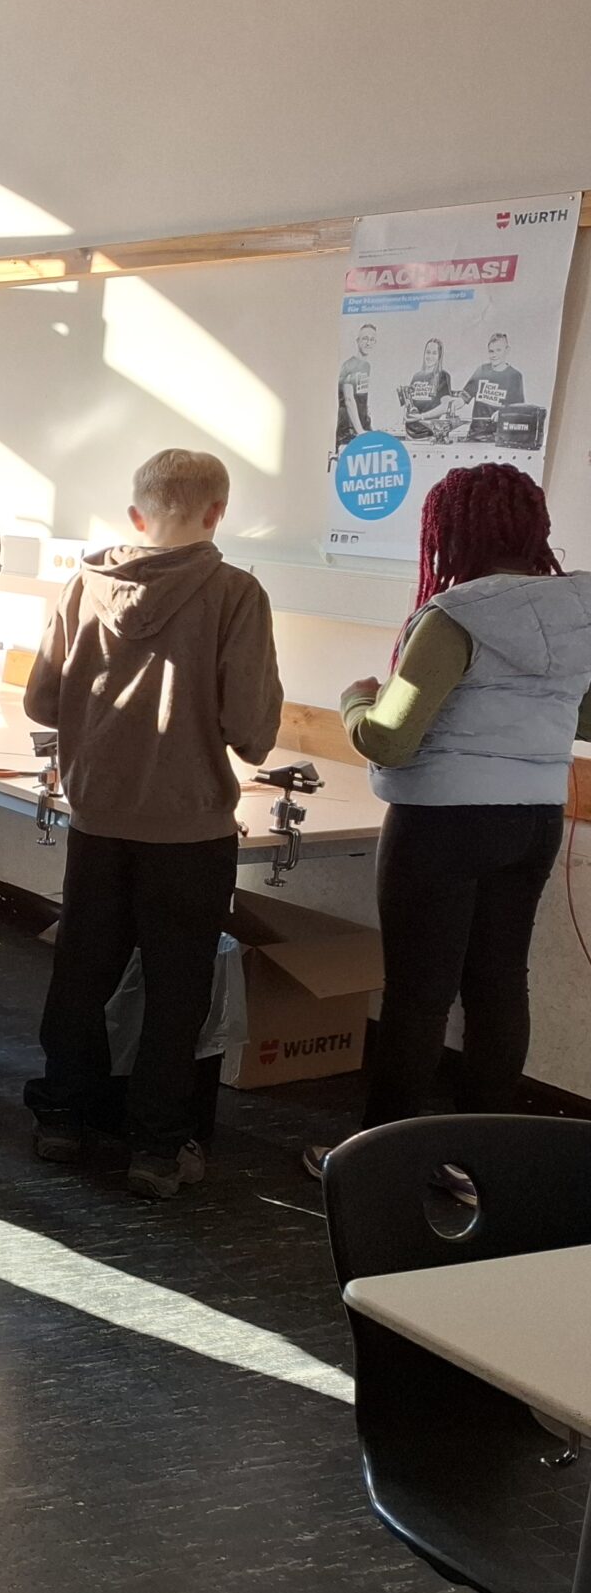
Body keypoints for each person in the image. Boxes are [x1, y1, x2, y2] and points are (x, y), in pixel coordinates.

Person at [303, 463, 591, 1179]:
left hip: (441, 823)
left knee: (418, 996)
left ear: (449, 533)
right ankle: (477, 1167)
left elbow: (389, 738)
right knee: (500, 986)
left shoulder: (457, 614)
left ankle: (382, 1166)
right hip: (534, 819)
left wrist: (354, 700)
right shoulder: (580, 608)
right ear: (533, 527)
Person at [21, 449, 284, 1202]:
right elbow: (250, 729)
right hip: (189, 828)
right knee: (177, 990)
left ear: (136, 516)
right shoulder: (237, 594)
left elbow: (41, 701)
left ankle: (62, 1117)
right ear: (217, 514)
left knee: (82, 971)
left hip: (98, 818)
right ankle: (157, 1149)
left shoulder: (82, 584)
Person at [459, 332, 525, 443]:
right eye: (491, 351)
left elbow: (518, 409)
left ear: (507, 350)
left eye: (498, 350)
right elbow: (463, 398)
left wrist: (502, 413)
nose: (494, 355)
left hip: (497, 438)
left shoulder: (514, 376)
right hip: (474, 436)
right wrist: (452, 404)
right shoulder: (481, 370)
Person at [398, 337, 456, 441]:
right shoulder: (417, 376)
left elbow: (445, 406)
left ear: (439, 356)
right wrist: (406, 413)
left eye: (434, 353)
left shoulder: (443, 376)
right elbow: (410, 404)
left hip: (429, 435)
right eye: (428, 352)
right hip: (410, 434)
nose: (430, 356)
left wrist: (422, 417)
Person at [336, 322, 378, 444]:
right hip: (348, 432)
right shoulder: (349, 365)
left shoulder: (366, 366)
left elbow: (362, 398)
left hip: (361, 428)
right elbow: (349, 399)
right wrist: (360, 431)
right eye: (365, 338)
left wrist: (368, 426)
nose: (368, 343)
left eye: (372, 339)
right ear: (357, 341)